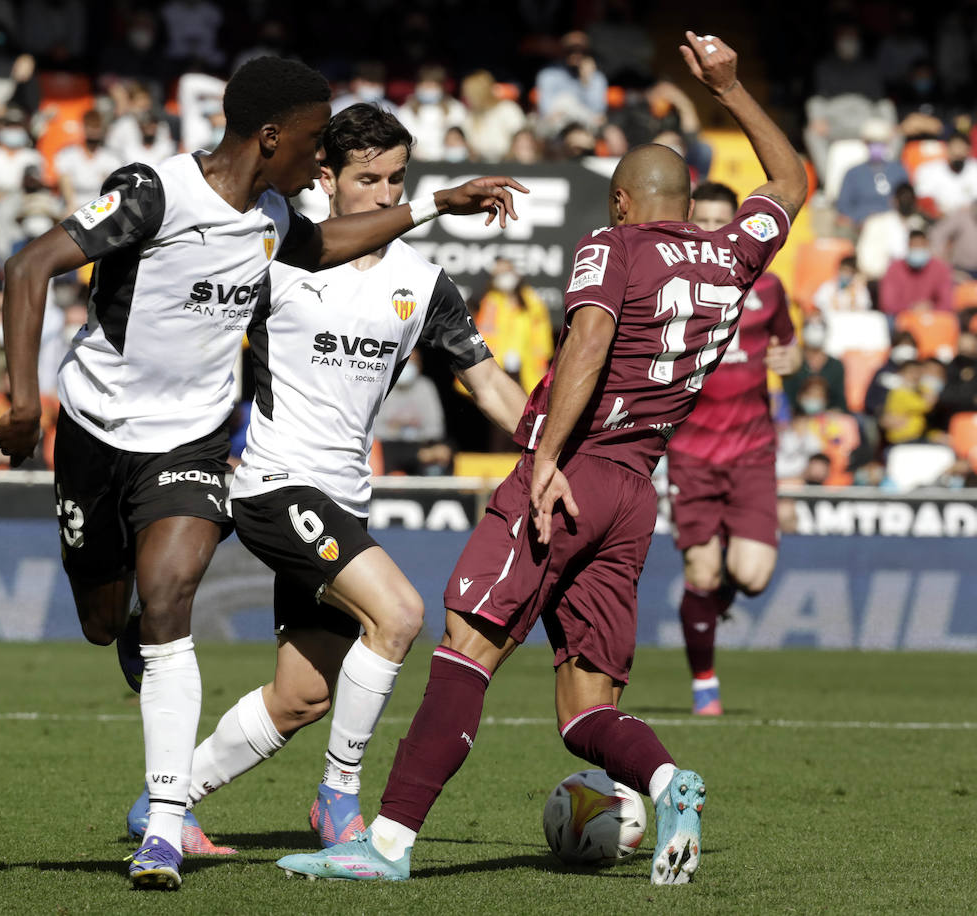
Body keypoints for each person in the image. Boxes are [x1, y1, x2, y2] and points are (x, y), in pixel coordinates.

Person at [276, 30, 806, 886]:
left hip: (572, 473)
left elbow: (592, 340)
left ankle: (384, 846)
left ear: (624, 202)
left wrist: (547, 456)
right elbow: (790, 181)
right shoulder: (734, 255)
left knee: (465, 647)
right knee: (584, 708)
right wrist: (733, 89)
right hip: (638, 491)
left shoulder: (612, 246)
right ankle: (670, 781)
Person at [0, 56, 525, 891]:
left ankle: (166, 816)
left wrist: (429, 212)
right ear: (295, 151)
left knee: (238, 649)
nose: (339, 172)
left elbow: (341, 260)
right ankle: (312, 793)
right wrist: (24, 403)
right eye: (339, 160)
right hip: (174, 453)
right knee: (121, 618)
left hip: (247, 465)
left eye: (394, 178)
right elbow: (32, 267)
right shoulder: (190, 212)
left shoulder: (313, 239)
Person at [124, 104, 529, 854]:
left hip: (344, 499)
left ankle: (164, 806)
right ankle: (340, 798)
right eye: (367, 178)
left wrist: (554, 444)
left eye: (397, 179)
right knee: (401, 615)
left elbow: (490, 386)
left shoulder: (424, 282)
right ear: (327, 179)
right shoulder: (277, 260)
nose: (383, 193)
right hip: (275, 486)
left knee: (300, 697)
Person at [663, 180, 799, 717]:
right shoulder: (672, 283)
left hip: (752, 451)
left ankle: (712, 604)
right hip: (692, 453)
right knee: (702, 573)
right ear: (691, 223)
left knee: (753, 576)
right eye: (709, 221)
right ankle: (704, 685)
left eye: (730, 222)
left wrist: (791, 359)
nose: (721, 232)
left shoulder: (770, 288)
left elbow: (787, 344)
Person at [473, 258, 554, 394]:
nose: (504, 277)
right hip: (497, 364)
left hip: (528, 365)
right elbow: (484, 332)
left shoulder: (532, 300)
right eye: (499, 274)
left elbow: (542, 335)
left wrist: (542, 358)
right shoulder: (491, 301)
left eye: (506, 272)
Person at [835, 119, 907, 229]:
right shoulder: (853, 173)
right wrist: (857, 221)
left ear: (888, 142)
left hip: (892, 225)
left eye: (881, 141)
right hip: (860, 226)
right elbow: (843, 206)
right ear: (865, 143)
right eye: (872, 142)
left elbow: (906, 202)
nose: (876, 145)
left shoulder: (899, 170)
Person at [535, 31, 609, 133]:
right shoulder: (549, 74)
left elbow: (598, 114)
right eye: (570, 50)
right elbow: (547, 112)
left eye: (581, 51)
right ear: (562, 51)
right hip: (557, 129)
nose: (576, 55)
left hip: (587, 129)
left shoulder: (597, 78)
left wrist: (586, 81)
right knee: (565, 100)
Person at [912, 132, 977, 215]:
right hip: (938, 219)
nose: (957, 153)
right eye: (954, 149)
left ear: (968, 151)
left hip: (972, 220)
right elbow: (922, 198)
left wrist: (974, 207)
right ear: (947, 149)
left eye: (961, 150)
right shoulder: (928, 170)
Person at [52, 111, 124, 209]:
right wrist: (71, 206)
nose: (93, 131)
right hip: (74, 206)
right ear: (84, 128)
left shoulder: (111, 158)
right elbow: (65, 182)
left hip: (100, 207)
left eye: (97, 127)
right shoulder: (68, 155)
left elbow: (110, 189)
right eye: (90, 127)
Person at [396, 65, 467, 162]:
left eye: (433, 85)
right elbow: (403, 140)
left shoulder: (456, 109)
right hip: (415, 164)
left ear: (441, 87)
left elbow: (459, 139)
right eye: (425, 85)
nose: (428, 89)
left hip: (447, 164)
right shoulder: (405, 111)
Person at [0, 108, 46, 200]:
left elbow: (37, 184)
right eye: (9, 126)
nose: (14, 130)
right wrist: (6, 200)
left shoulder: (34, 156)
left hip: (26, 201)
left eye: (18, 126)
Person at [879, 230, 954, 315]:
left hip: (933, 317)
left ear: (927, 246)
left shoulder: (941, 268)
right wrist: (911, 308)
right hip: (901, 316)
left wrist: (930, 308)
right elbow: (888, 303)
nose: (917, 249)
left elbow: (947, 302)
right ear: (908, 246)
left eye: (921, 245)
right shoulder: (894, 268)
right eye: (914, 246)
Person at [782, 318, 847, 413]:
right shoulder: (793, 363)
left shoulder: (836, 366)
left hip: (829, 419)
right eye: (810, 327)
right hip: (796, 418)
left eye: (819, 327)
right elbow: (787, 398)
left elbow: (840, 402)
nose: (815, 332)